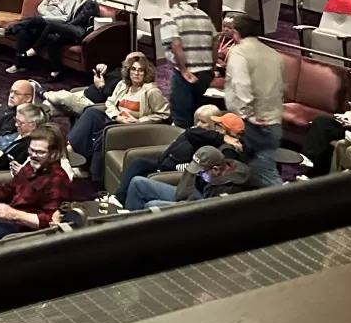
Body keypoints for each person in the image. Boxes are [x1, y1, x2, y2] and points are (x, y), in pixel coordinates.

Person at [63, 51, 169, 183]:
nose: (136, 73)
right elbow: (110, 102)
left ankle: (93, 174)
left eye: (140, 70)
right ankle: (69, 148)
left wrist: (140, 121)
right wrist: (116, 116)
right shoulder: (123, 84)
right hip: (117, 119)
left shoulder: (152, 91)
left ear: (146, 73)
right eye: (133, 69)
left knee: (102, 134)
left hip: (131, 127)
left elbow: (164, 114)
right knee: (91, 113)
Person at [110, 108, 244, 208]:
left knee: (151, 205)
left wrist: (188, 199)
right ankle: (125, 214)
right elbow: (190, 133)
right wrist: (221, 137)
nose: (215, 127)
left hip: (195, 198)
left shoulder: (227, 152)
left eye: (218, 125)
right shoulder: (214, 138)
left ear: (225, 130)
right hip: (186, 189)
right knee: (137, 180)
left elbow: (212, 190)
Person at [222, 12, 285, 188]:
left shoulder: (239, 52)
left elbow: (240, 84)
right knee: (257, 173)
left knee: (261, 174)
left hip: (251, 123)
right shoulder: (274, 54)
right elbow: (282, 86)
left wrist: (247, 114)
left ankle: (292, 202)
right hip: (273, 121)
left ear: (236, 32)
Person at [159, 0, 219, 129]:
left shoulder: (170, 15)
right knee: (200, 120)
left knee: (181, 121)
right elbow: (215, 42)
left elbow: (175, 44)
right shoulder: (203, 15)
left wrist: (184, 70)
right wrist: (212, 67)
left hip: (185, 75)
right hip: (205, 74)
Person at [124, 143, 252, 211]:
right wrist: (183, 195)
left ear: (216, 170)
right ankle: (127, 225)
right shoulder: (216, 166)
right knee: (137, 183)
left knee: (153, 205)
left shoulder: (230, 188)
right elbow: (183, 192)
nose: (197, 174)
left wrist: (182, 203)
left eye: (200, 172)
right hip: (190, 196)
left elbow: (207, 212)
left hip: (196, 209)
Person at [7, 0, 81, 72]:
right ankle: (19, 65)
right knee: (23, 32)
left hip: (53, 26)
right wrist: (48, 16)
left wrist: (46, 18)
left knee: (37, 19)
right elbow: (40, 7)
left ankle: (11, 28)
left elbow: (66, 18)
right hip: (42, 20)